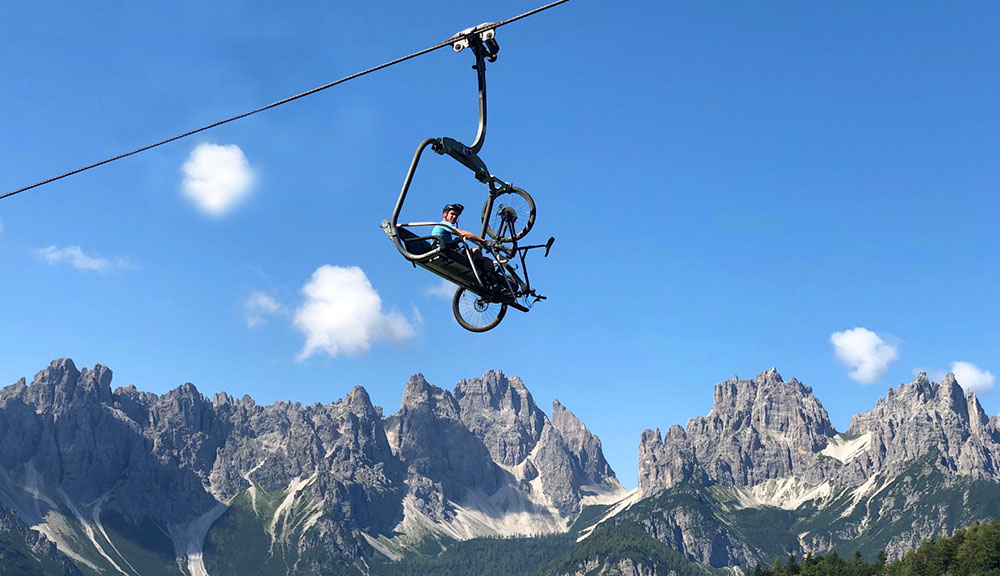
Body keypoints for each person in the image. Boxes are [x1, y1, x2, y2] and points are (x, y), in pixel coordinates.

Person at [431, 203, 499, 289]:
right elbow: (463, 233)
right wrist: (482, 241)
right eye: (452, 214)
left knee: (489, 261)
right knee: (477, 251)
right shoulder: (444, 225)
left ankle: (494, 284)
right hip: (445, 250)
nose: (455, 217)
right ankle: (482, 279)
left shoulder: (446, 228)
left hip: (450, 249)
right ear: (445, 214)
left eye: (456, 215)